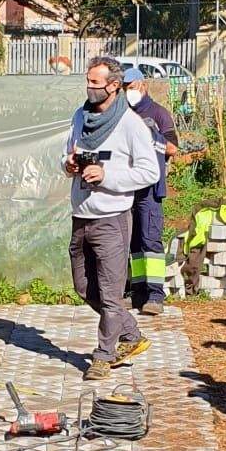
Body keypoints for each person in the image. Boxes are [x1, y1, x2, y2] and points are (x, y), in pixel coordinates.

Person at [63, 56, 161, 380]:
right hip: (81, 215)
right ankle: (131, 334)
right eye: (87, 81)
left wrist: (107, 176)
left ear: (114, 85)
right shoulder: (80, 116)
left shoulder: (131, 124)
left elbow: (149, 171)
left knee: (110, 293)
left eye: (95, 82)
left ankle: (103, 356)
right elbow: (66, 151)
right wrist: (68, 164)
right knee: (83, 287)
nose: (89, 87)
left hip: (112, 219)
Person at [121, 64, 179, 317]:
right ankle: (136, 292)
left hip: (150, 189)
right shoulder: (121, 113)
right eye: (124, 88)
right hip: (126, 188)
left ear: (143, 86)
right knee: (132, 242)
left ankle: (155, 295)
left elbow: (173, 148)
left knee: (150, 240)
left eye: (132, 87)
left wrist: (151, 136)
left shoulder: (158, 113)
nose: (128, 92)